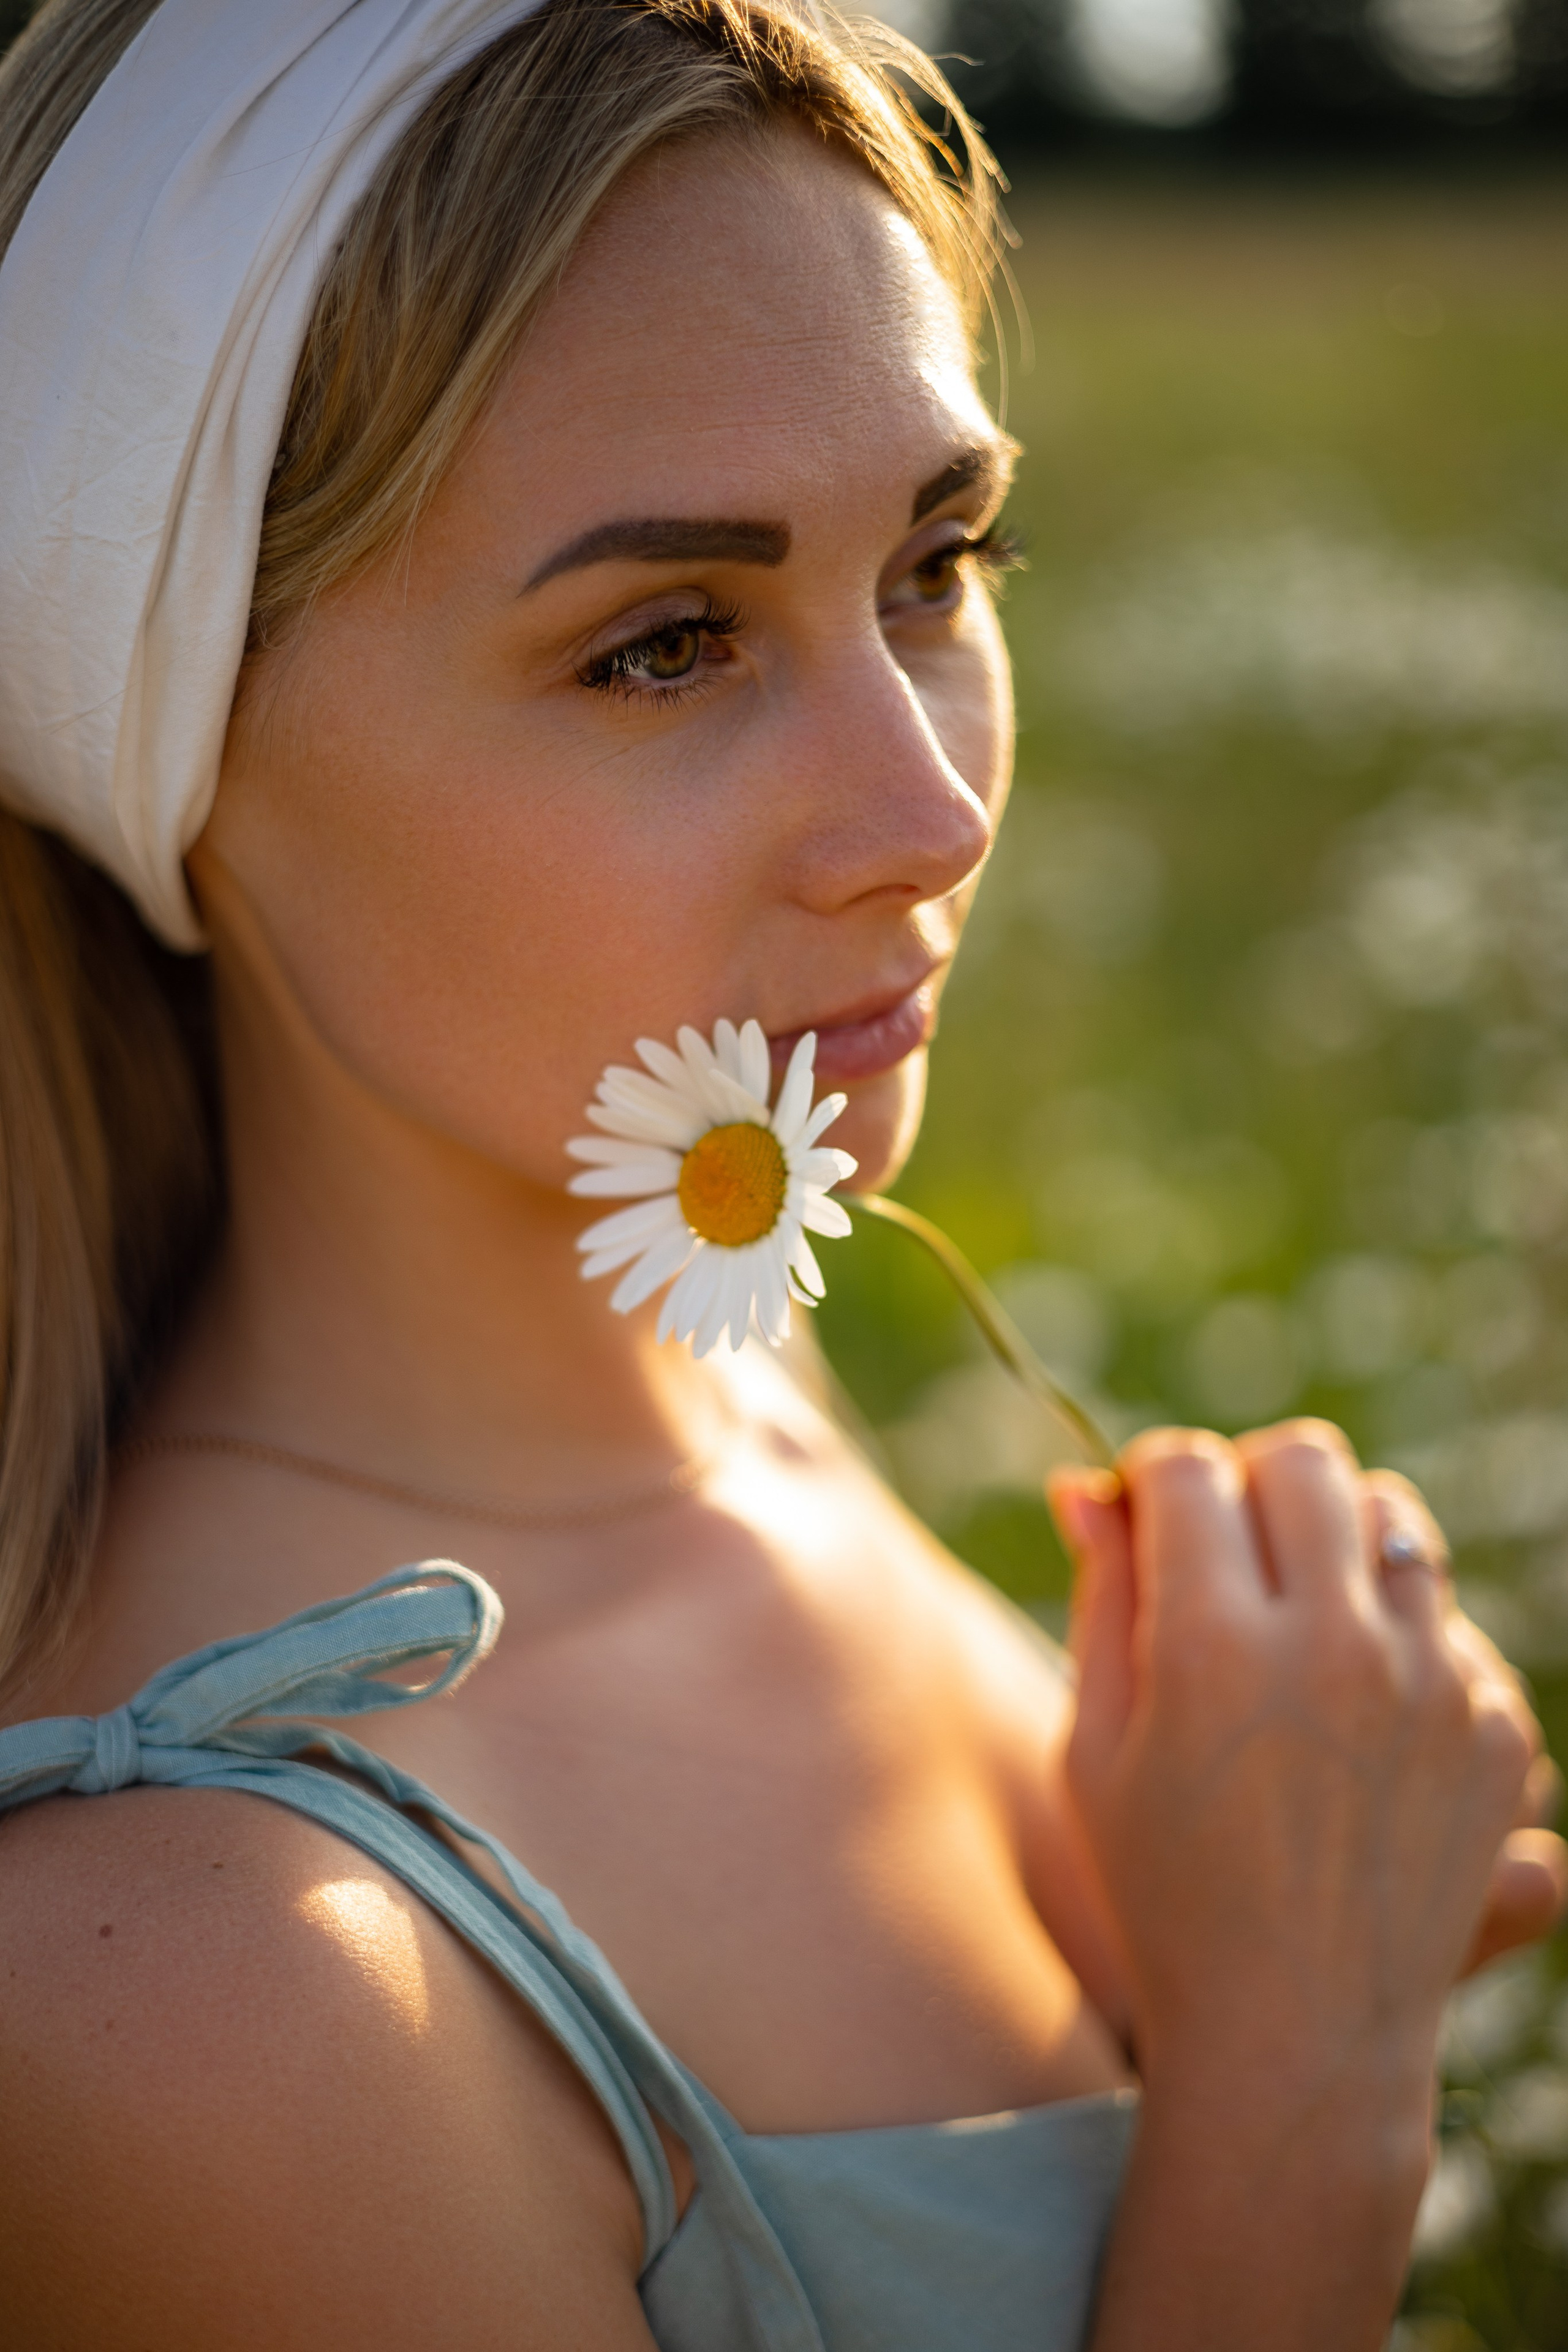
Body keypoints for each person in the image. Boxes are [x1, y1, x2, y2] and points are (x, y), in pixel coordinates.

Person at [0, 2, 1561, 2345]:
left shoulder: (754, 1379)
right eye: (664, 646)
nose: (932, 817)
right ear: (171, 754)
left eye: (941, 562)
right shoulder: (210, 1988)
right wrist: (1303, 2084)